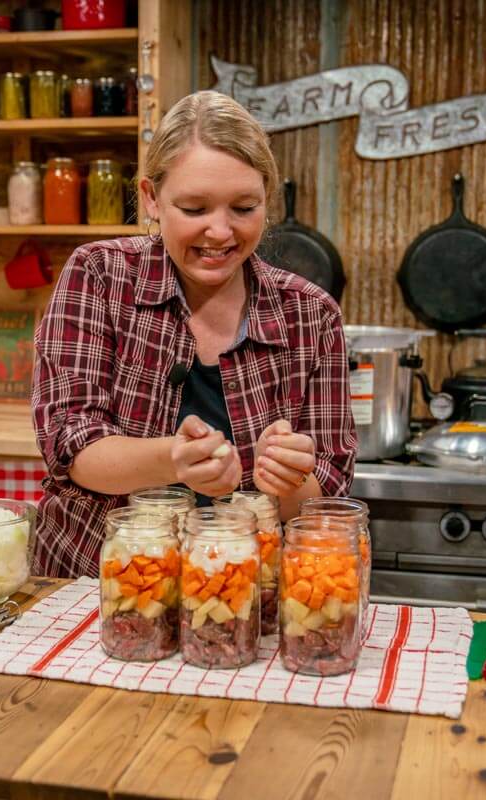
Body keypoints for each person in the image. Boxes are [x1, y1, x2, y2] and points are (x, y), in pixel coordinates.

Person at [31, 90, 357, 578]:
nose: (220, 232)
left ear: (268, 200)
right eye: (195, 208)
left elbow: (324, 499)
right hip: (94, 585)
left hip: (245, 594)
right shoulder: (99, 276)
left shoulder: (311, 315)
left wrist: (287, 479)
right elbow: (72, 446)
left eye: (244, 208)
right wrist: (174, 459)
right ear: (152, 199)